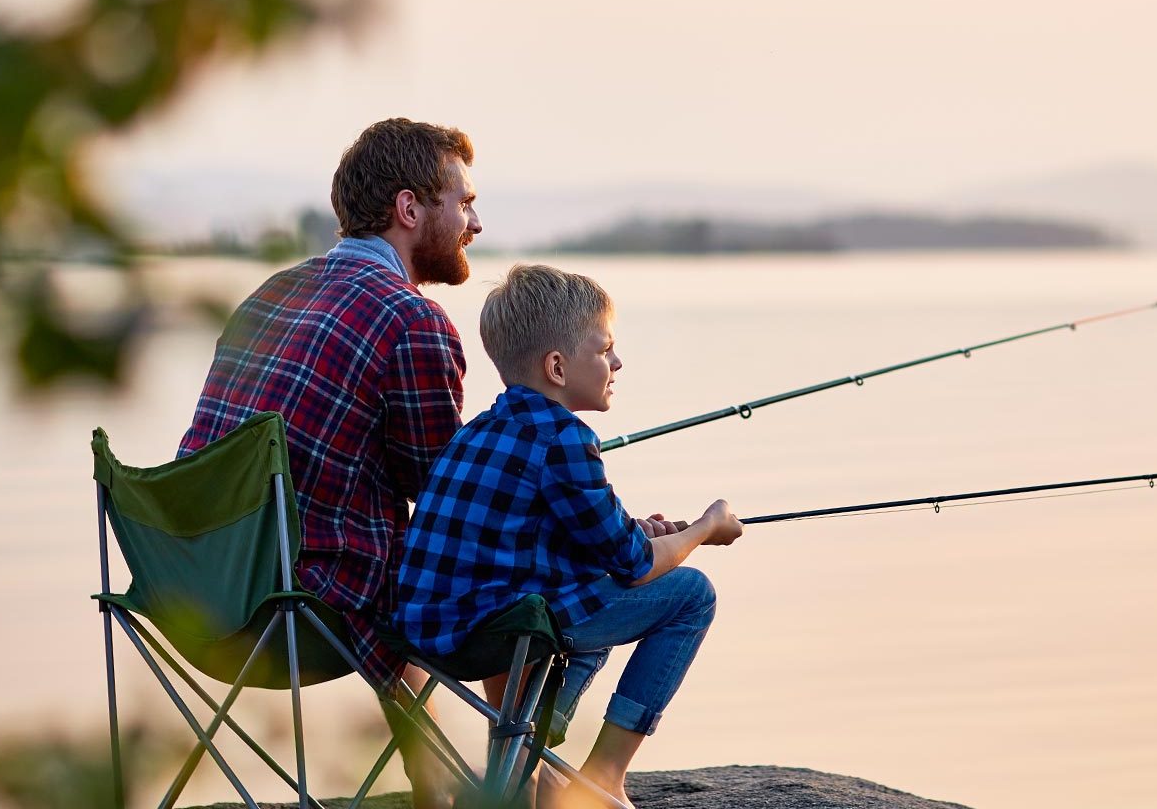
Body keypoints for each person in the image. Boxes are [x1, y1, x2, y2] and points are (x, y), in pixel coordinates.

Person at [179, 117, 482, 809]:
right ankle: (522, 774)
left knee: (377, 546)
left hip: (195, 589)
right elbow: (442, 503)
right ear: (410, 209)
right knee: (480, 556)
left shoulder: (271, 293)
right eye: (463, 202)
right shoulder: (412, 321)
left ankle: (434, 787)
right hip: (296, 614)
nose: (476, 223)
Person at [395, 263, 743, 809]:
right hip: (499, 634)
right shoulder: (565, 440)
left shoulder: (475, 433)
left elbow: (589, 539)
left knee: (591, 585)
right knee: (691, 596)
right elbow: (632, 563)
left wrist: (640, 535)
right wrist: (703, 529)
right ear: (557, 366)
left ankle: (526, 761)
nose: (617, 362)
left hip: (429, 634)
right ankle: (602, 775)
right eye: (605, 350)